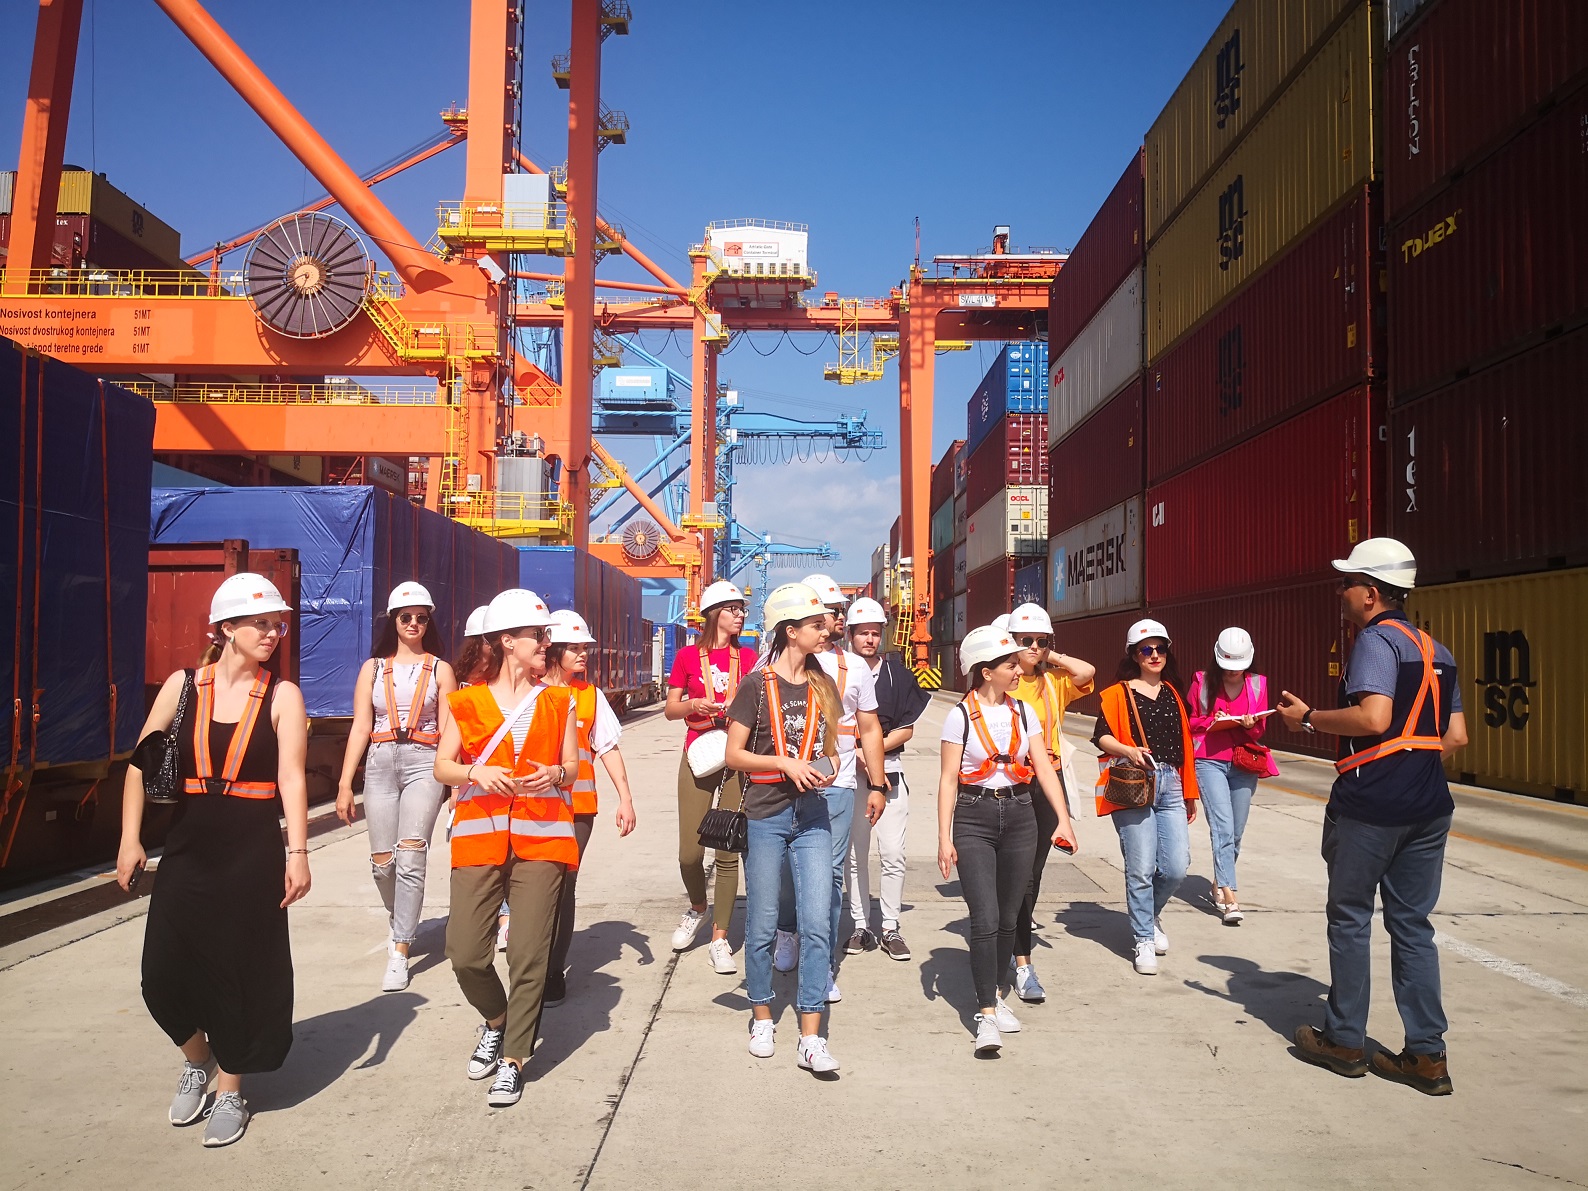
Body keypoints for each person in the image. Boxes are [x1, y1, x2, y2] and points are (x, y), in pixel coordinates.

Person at [116, 573, 311, 1148]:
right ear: (226, 628)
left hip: (252, 854)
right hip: (187, 850)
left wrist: (299, 853)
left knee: (239, 973)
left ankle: (230, 1089)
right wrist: (130, 839)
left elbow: (292, 778)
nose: (272, 633)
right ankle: (197, 1059)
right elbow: (140, 765)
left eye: (277, 625)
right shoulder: (182, 686)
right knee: (161, 976)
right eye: (260, 623)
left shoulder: (283, 695)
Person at [1279, 538, 1467, 1096]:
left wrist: (1309, 718)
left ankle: (1344, 1042)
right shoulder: (1437, 650)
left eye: (1347, 583)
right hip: (1430, 806)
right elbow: (1455, 736)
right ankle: (1427, 1057)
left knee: (1350, 919)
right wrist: (1412, 768)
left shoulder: (1375, 641)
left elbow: (1374, 716)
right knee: (1413, 926)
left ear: (1371, 593)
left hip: (1371, 808)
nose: (1340, 592)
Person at [431, 588, 582, 1109]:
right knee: (466, 954)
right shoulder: (465, 702)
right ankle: (497, 1021)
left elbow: (572, 768)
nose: (546, 644)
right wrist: (476, 772)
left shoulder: (559, 700)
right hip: (479, 835)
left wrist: (555, 774)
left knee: (527, 953)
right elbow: (443, 766)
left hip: (544, 835)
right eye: (537, 636)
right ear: (506, 641)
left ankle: (515, 1058)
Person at [938, 625, 1078, 1055]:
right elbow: (947, 779)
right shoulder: (959, 716)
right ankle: (985, 1015)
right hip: (974, 818)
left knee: (1008, 917)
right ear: (986, 672)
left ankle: (997, 995)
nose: (1019, 670)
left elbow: (1044, 767)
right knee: (984, 917)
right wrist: (944, 837)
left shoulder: (1024, 712)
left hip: (1020, 816)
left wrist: (1063, 819)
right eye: (1010, 665)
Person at [725, 582, 847, 1073]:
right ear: (790, 631)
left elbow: (834, 750)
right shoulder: (755, 686)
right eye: (817, 624)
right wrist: (783, 762)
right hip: (766, 815)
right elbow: (734, 755)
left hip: (813, 814)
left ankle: (811, 1036)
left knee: (817, 923)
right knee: (762, 923)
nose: (826, 630)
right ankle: (761, 1016)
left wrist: (829, 768)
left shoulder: (824, 684)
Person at [335, 582, 458, 991]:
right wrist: (344, 784)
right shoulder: (372, 669)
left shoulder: (440, 669)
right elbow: (360, 726)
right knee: (383, 863)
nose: (414, 624)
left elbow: (449, 730)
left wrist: (455, 784)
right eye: (406, 617)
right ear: (393, 620)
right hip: (380, 763)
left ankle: (400, 949)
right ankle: (400, 915)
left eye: (422, 617)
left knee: (411, 855)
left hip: (424, 763)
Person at [774, 574, 886, 1002]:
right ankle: (788, 931)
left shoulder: (854, 667)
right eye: (823, 615)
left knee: (830, 875)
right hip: (784, 785)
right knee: (788, 869)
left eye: (835, 613)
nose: (831, 621)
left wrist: (877, 785)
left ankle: (820, 963)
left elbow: (870, 728)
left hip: (837, 785)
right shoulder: (773, 666)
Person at [1092, 619, 1200, 977]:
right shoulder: (1117, 694)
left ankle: (1150, 915)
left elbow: (1185, 747)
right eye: (1146, 649)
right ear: (1134, 655)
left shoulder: (1174, 693)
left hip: (1171, 783)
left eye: (1160, 648)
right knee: (1140, 868)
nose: (1154, 655)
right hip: (1134, 782)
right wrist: (1128, 750)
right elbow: (1100, 737)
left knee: (1176, 867)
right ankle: (1143, 937)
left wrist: (1189, 792)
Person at [542, 609, 638, 1007]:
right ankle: (531, 961)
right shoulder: (529, 691)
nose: (584, 654)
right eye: (575, 648)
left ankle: (552, 971)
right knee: (536, 885)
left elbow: (608, 747)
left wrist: (625, 798)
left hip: (578, 806)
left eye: (585, 648)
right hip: (533, 805)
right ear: (553, 650)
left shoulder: (590, 695)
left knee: (564, 883)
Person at [1004, 601, 1095, 1001]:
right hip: (1012, 781)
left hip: (1047, 780)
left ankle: (1017, 942)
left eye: (1041, 641)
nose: (1035, 647)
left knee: (1032, 872)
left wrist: (1049, 655)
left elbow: (1086, 672)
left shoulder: (1053, 682)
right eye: (1027, 640)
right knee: (1014, 871)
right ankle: (1015, 947)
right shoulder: (1002, 680)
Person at [664, 581, 757, 968]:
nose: (741, 616)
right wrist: (693, 705)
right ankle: (698, 907)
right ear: (714, 613)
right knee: (689, 853)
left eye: (742, 610)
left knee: (727, 848)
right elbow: (670, 709)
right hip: (699, 752)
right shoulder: (687, 656)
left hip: (736, 755)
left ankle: (720, 938)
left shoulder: (749, 658)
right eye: (734, 609)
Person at [842, 597, 929, 960]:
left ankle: (890, 927)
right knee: (855, 855)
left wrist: (871, 750)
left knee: (893, 853)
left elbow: (906, 729)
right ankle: (861, 925)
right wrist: (858, 754)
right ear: (850, 634)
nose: (870, 639)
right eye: (863, 633)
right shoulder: (838, 671)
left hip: (890, 771)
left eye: (875, 633)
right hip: (850, 774)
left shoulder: (899, 675)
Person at [1189, 627, 1279, 926]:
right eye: (1228, 666)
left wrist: (1251, 725)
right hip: (1209, 760)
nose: (1233, 672)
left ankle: (1218, 881)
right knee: (1223, 828)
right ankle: (1230, 897)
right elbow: (1190, 721)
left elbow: (1260, 729)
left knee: (1236, 832)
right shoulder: (1202, 682)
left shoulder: (1257, 684)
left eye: (1238, 666)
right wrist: (1211, 721)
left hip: (1243, 762)